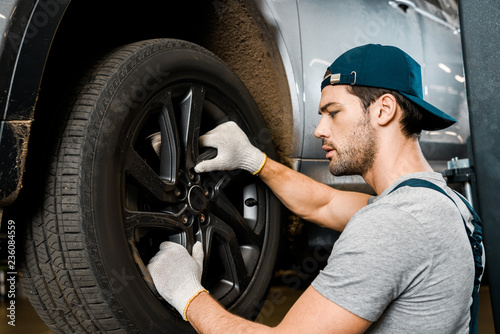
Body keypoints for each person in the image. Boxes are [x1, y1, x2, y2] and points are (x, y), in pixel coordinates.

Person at [147, 44, 483, 333]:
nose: (320, 129)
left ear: (383, 110)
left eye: (333, 113)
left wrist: (188, 294)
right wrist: (254, 160)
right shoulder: (438, 203)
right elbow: (322, 204)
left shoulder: (393, 225)